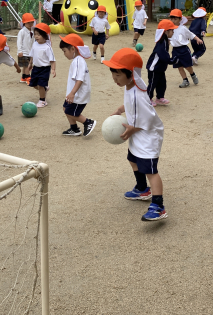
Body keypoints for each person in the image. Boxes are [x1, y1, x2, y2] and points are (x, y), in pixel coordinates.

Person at [103, 48, 167, 222]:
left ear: (130, 74)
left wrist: (132, 128)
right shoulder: (131, 85)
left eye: (117, 75)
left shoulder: (137, 94)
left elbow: (149, 117)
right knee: (132, 159)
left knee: (151, 171)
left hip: (147, 136)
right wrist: (121, 108)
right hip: (137, 133)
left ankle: (158, 206)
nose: (114, 79)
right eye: (113, 74)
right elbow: (131, 104)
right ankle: (141, 189)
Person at [59, 34, 96, 136]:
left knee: (69, 112)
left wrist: (72, 93)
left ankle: (88, 122)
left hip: (78, 94)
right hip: (74, 93)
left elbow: (80, 79)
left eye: (64, 51)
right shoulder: (77, 60)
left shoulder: (79, 61)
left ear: (72, 49)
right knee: (65, 109)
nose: (64, 54)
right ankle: (74, 129)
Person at [169, 9, 203, 88]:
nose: (173, 21)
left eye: (175, 19)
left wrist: (197, 39)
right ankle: (185, 80)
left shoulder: (183, 28)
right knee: (179, 67)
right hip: (175, 50)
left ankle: (192, 74)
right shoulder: (170, 28)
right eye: (172, 18)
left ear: (180, 19)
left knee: (187, 66)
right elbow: (168, 38)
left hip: (184, 50)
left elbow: (191, 35)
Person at [147, 19, 177, 106]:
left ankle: (160, 98)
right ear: (166, 32)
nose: (173, 32)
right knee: (152, 84)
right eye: (172, 30)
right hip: (154, 68)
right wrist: (171, 60)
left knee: (162, 83)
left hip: (160, 68)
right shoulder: (161, 43)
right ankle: (148, 98)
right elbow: (163, 55)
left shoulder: (165, 41)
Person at [29, 23, 56, 108]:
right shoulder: (34, 44)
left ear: (45, 36)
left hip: (44, 69)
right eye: (35, 34)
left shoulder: (47, 47)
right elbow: (32, 55)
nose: (36, 36)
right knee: (33, 84)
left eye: (39, 34)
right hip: (35, 68)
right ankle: (45, 89)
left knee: (40, 84)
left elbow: (52, 59)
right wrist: (30, 64)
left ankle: (42, 100)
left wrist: (53, 69)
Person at [17, 13, 36, 84]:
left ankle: (23, 77)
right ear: (24, 23)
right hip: (23, 52)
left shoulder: (33, 31)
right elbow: (19, 42)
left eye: (32, 22)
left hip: (30, 51)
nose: (30, 24)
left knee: (25, 66)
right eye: (28, 22)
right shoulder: (22, 32)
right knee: (27, 65)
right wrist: (20, 51)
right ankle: (28, 77)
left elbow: (33, 41)